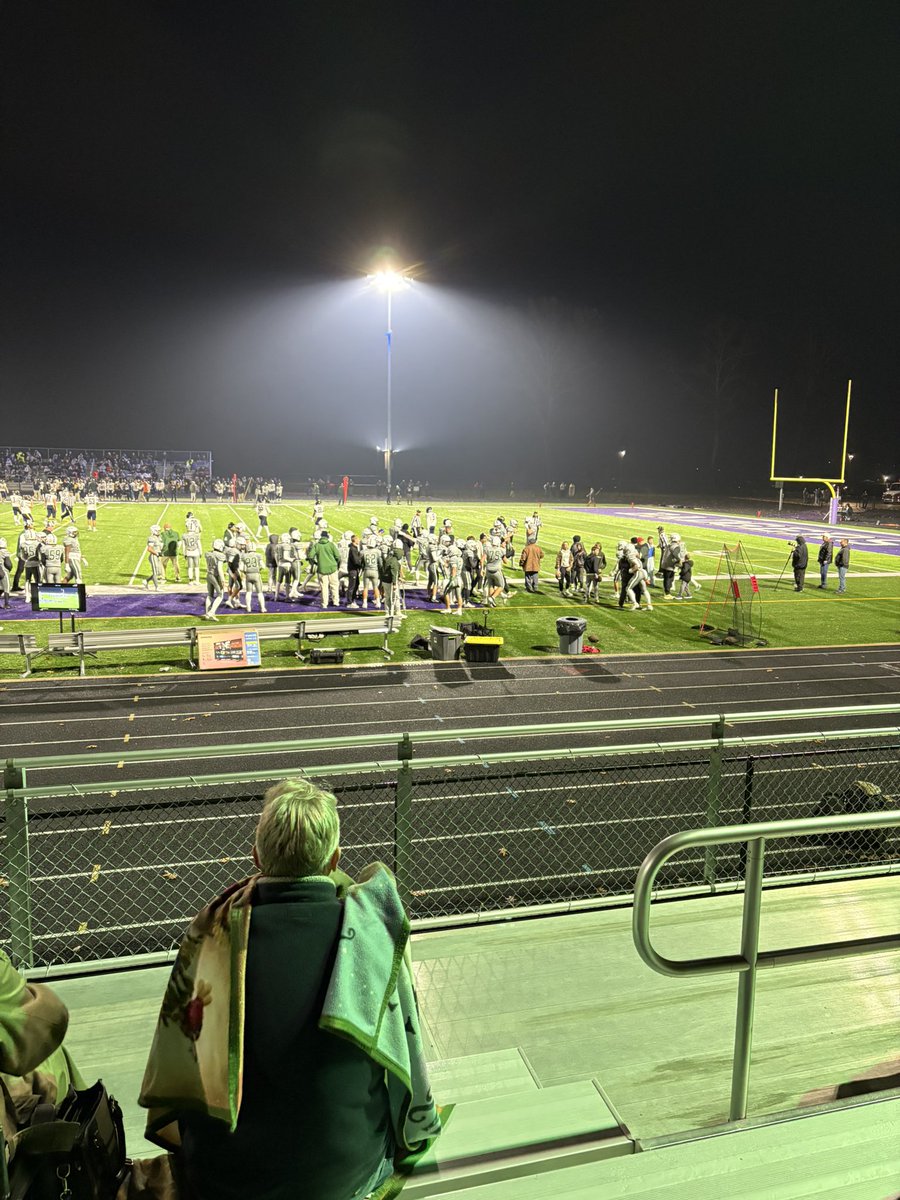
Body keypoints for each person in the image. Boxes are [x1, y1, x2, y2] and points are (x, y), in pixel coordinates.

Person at [139, 778, 442, 1200]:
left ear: (256, 856)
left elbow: (183, 1072)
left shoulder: (210, 937)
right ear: (334, 859)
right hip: (342, 1178)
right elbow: (401, 1069)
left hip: (221, 1181)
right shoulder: (371, 939)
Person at [308, 528, 341, 608]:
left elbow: (310, 556)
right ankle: (335, 602)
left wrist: (315, 563)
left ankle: (324, 604)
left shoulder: (317, 545)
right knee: (334, 586)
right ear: (327, 537)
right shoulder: (331, 545)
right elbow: (338, 557)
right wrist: (337, 565)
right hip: (332, 568)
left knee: (324, 587)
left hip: (322, 569)